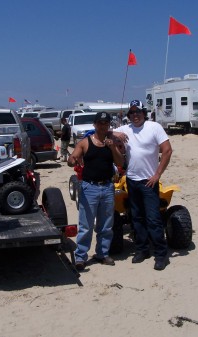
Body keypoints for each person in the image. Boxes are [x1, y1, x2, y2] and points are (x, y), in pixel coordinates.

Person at [114, 99, 173, 271]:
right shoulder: (125, 129)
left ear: (144, 113)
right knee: (136, 218)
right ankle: (142, 250)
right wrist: (114, 134)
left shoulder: (154, 127)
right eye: (132, 113)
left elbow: (167, 150)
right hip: (131, 180)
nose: (135, 115)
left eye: (138, 112)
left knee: (153, 219)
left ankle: (161, 254)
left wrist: (157, 174)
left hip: (149, 181)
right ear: (129, 115)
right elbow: (102, 132)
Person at [68, 112, 124, 271]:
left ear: (109, 125)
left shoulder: (111, 143)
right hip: (89, 188)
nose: (103, 126)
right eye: (100, 123)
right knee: (85, 225)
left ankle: (102, 253)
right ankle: (80, 257)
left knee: (106, 224)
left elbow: (120, 162)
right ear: (94, 124)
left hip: (107, 187)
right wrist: (72, 160)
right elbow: (72, 158)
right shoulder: (85, 143)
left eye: (106, 123)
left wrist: (113, 146)